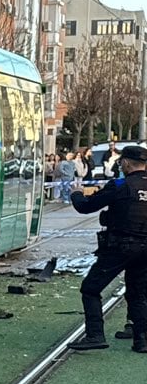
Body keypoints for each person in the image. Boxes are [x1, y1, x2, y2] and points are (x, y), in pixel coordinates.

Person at [70, 144, 147, 352]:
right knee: (138, 292)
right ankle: (142, 339)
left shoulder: (120, 185)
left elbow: (86, 206)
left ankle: (95, 335)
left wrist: (76, 194)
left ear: (126, 163)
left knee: (91, 288)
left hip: (120, 246)